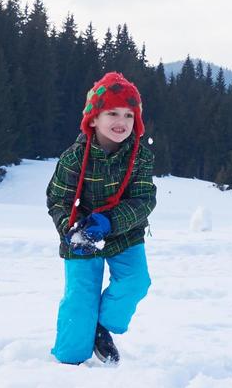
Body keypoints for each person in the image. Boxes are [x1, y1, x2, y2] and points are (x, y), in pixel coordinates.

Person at [47, 71, 156, 366]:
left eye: (128, 115)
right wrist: (71, 229)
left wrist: (110, 221)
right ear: (93, 118)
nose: (122, 122)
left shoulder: (141, 157)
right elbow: (59, 200)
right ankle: (68, 362)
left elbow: (144, 199)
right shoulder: (73, 158)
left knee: (135, 281)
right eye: (112, 113)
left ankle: (102, 326)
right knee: (80, 299)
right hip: (81, 234)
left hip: (124, 231)